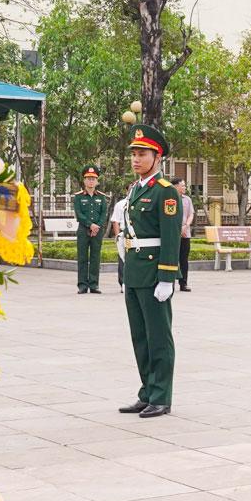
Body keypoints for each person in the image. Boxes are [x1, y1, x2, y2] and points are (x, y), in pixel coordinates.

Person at [117, 125, 184, 418]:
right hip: (134, 270)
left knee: (159, 337)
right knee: (140, 336)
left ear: (158, 157)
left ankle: (161, 396)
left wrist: (167, 277)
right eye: (133, 154)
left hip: (155, 272)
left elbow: (171, 237)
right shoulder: (136, 189)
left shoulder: (166, 192)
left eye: (142, 154)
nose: (136, 159)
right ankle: (147, 391)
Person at [71, 165, 109, 294]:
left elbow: (104, 214)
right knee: (82, 258)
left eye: (93, 178)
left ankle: (94, 285)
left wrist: (97, 226)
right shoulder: (79, 197)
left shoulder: (102, 197)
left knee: (95, 257)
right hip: (83, 230)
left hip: (97, 232)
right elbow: (79, 213)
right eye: (88, 178)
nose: (91, 181)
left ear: (97, 181)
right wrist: (90, 225)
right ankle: (82, 285)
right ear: (84, 181)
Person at [174, 175, 195, 291]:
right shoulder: (170, 199)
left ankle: (183, 283)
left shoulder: (187, 199)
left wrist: (186, 226)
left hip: (185, 234)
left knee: (184, 260)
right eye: (183, 186)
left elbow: (191, 214)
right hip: (173, 234)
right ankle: (169, 282)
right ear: (176, 187)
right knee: (172, 259)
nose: (185, 187)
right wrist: (177, 229)